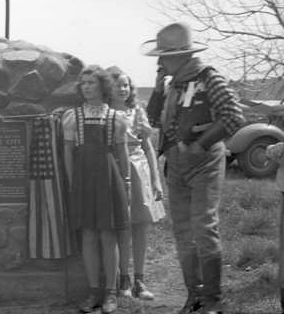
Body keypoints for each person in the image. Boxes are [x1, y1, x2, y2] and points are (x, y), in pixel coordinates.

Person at [143, 22, 244, 314]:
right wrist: (159, 87)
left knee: (203, 229)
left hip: (204, 164)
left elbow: (233, 116)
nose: (160, 61)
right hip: (176, 164)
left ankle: (212, 300)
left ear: (180, 55)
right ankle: (194, 296)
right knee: (183, 232)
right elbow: (153, 120)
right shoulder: (173, 83)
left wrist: (202, 144)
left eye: (163, 57)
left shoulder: (208, 78)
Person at [62, 65, 131, 314]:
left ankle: (110, 293)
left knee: (108, 235)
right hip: (83, 179)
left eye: (91, 82)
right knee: (89, 235)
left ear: (102, 86)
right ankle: (94, 292)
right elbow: (68, 151)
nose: (86, 86)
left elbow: (122, 152)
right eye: (83, 83)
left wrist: (126, 181)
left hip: (108, 178)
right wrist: (72, 182)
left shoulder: (115, 117)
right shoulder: (73, 116)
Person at [107, 66, 165, 301]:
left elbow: (148, 145)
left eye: (126, 85)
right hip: (115, 169)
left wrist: (155, 178)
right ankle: (124, 279)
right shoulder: (105, 112)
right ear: (108, 89)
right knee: (121, 226)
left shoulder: (137, 111)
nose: (122, 89)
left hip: (138, 167)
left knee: (140, 226)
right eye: (117, 84)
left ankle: (140, 279)